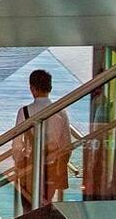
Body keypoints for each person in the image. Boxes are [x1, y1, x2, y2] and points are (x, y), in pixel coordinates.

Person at [11, 69, 72, 209]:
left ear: (32, 88)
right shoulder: (61, 112)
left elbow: (17, 145)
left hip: (29, 168)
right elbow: (66, 146)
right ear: (50, 87)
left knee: (29, 209)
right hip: (52, 168)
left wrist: (19, 162)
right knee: (45, 207)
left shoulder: (24, 112)